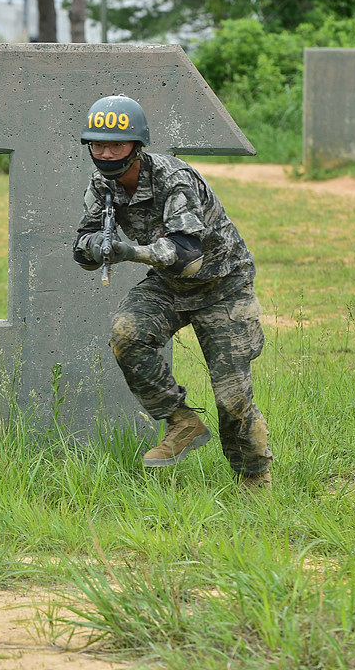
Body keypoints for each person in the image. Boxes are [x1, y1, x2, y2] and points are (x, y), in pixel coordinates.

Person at [73, 94, 273, 488]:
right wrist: (94, 247)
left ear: (137, 146)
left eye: (117, 144)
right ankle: (181, 423)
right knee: (127, 334)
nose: (107, 152)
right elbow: (82, 244)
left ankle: (254, 478)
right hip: (169, 285)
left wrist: (130, 251)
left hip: (223, 284)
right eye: (98, 144)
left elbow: (187, 254)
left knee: (232, 398)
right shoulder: (102, 186)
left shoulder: (173, 179)